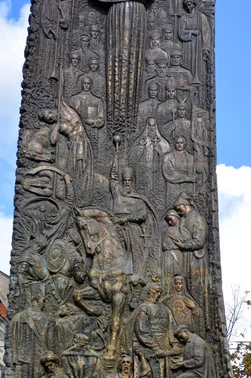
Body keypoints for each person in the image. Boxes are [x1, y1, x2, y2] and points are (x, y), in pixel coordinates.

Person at [97, 0, 147, 131]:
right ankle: (113, 121)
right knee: (116, 62)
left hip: (136, 13)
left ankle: (130, 121)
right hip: (117, 14)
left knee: (133, 63)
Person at [110, 161, 157, 278]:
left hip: (131, 228)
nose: (126, 183)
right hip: (115, 225)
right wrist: (116, 158)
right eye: (124, 180)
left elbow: (142, 215)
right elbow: (113, 178)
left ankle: (135, 275)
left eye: (129, 181)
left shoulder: (138, 200)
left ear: (132, 182)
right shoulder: (117, 194)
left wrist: (126, 218)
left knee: (135, 248)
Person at [172, 192, 207, 303]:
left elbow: (199, 241)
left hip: (195, 259)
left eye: (179, 208)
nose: (178, 211)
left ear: (185, 205)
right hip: (185, 258)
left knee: (195, 287)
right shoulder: (183, 219)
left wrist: (184, 245)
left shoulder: (197, 218)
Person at [130, 117, 170, 196]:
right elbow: (133, 158)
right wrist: (141, 147)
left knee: (156, 192)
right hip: (144, 172)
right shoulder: (141, 140)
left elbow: (169, 159)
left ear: (156, 127)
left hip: (157, 172)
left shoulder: (163, 143)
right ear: (147, 127)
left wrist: (160, 152)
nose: (151, 128)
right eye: (150, 126)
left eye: (153, 126)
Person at [178, 0, 211, 85]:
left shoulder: (201, 17)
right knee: (186, 63)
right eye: (186, 5)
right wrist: (192, 32)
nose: (188, 7)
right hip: (186, 45)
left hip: (198, 45)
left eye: (190, 5)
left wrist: (205, 48)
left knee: (197, 64)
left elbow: (205, 33)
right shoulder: (183, 18)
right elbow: (180, 33)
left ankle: (196, 80)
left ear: (194, 5)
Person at [162, 136, 196, 206]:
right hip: (173, 190)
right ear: (174, 144)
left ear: (185, 144)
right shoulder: (168, 157)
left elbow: (198, 171)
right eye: (177, 143)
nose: (179, 145)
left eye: (181, 143)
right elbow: (169, 173)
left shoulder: (191, 158)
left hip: (187, 189)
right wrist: (187, 178)